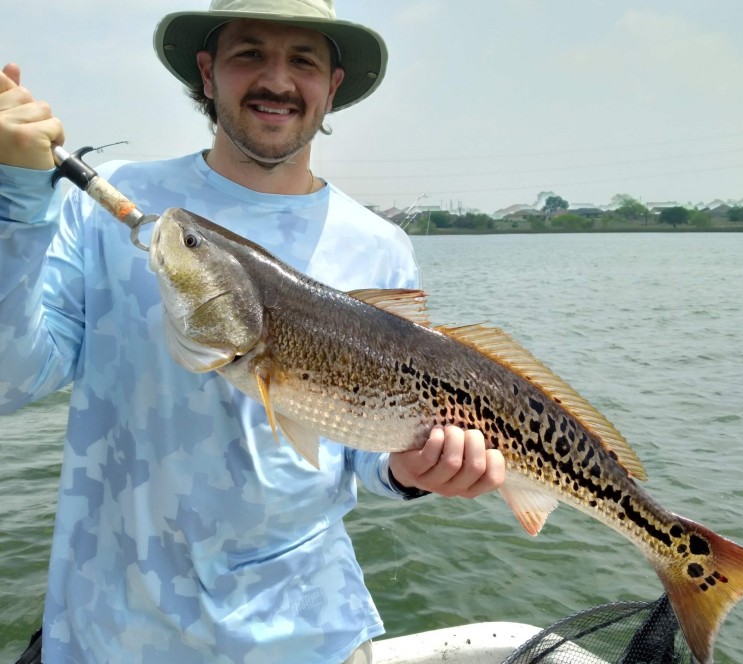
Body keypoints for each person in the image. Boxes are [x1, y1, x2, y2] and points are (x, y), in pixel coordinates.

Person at [0, 1, 505, 662]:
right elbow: (11, 379)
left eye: (304, 60)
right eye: (249, 54)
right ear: (207, 74)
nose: (277, 80)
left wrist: (414, 470)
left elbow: (367, 453)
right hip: (109, 637)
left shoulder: (379, 246)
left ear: (334, 86)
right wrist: (17, 199)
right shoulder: (113, 200)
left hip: (308, 638)